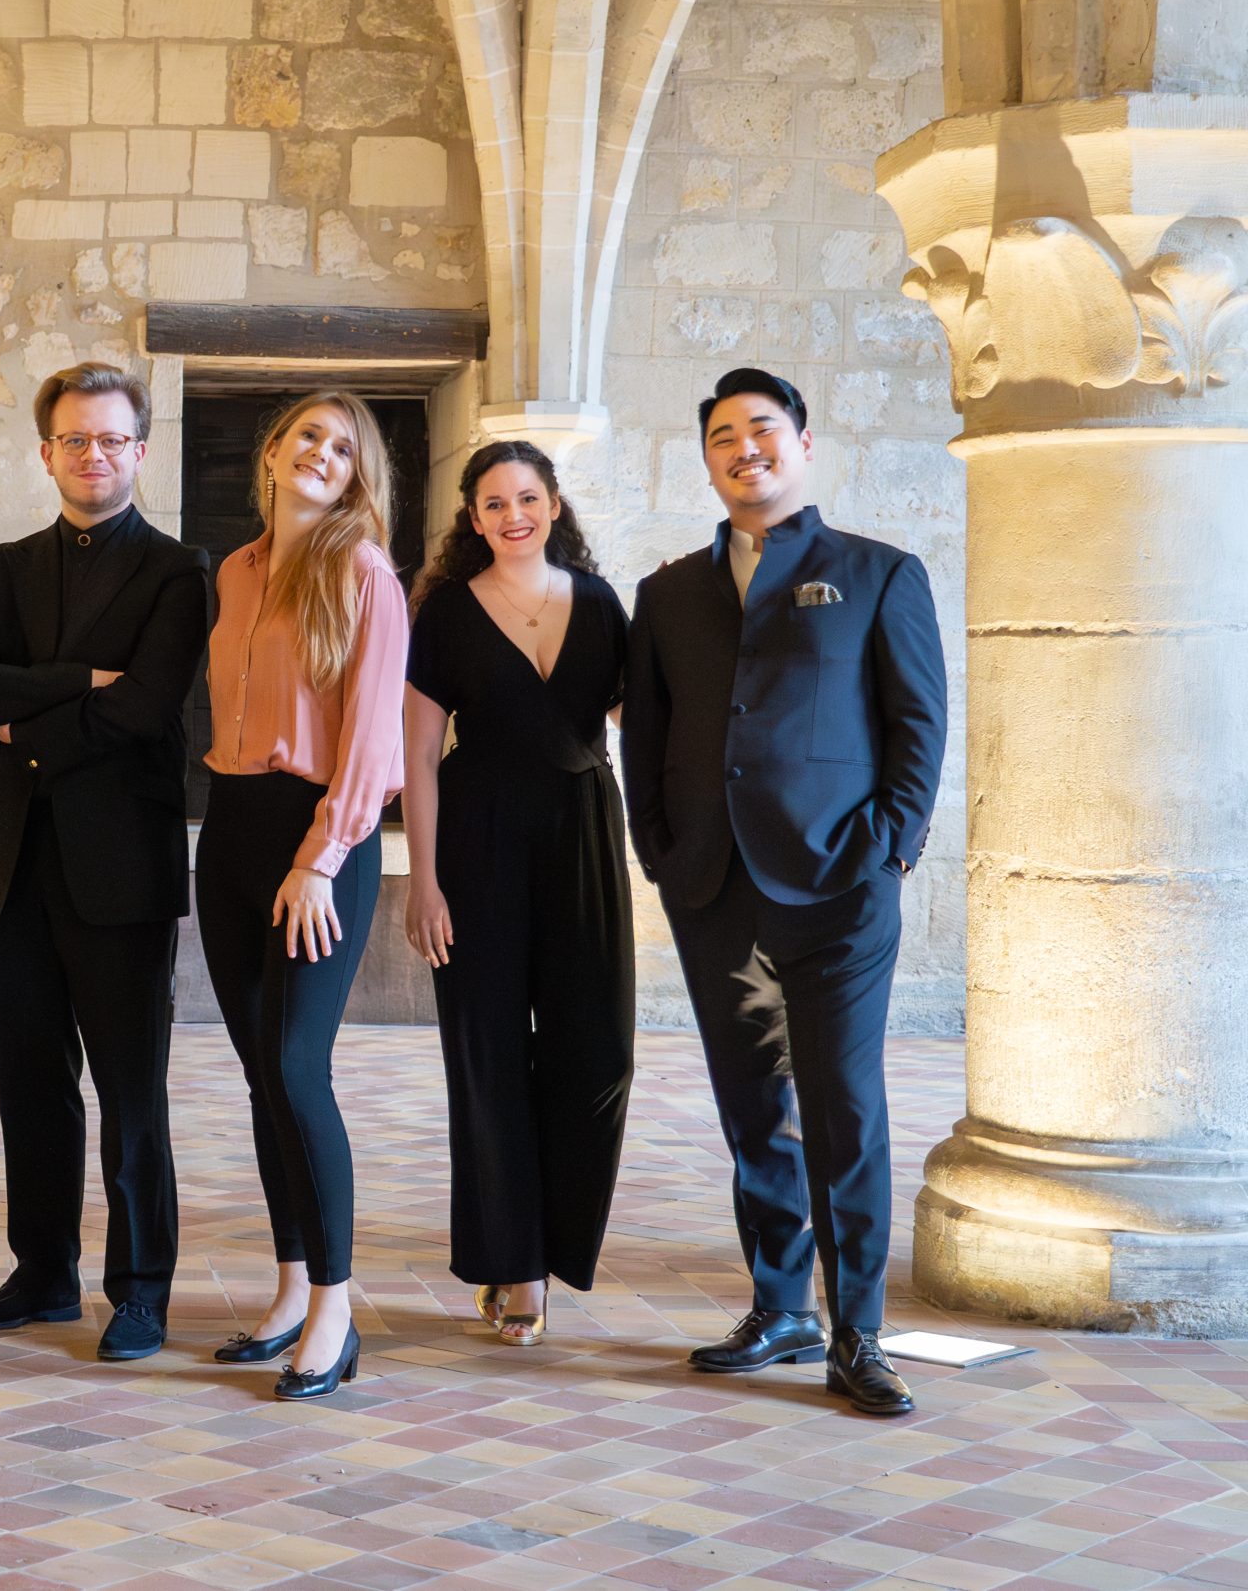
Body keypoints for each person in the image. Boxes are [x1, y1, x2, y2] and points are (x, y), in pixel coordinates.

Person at [624, 366, 947, 1417]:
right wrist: (662, 853)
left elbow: (917, 727)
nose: (743, 448)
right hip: (711, 882)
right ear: (706, 458)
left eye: (761, 430)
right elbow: (650, 736)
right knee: (750, 1102)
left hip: (841, 886)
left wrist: (890, 847)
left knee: (843, 1106)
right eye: (722, 436)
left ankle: (857, 1330)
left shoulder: (878, 573)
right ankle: (780, 1304)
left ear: (801, 442)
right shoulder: (666, 593)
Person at [0, 364, 211, 1361]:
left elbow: (148, 705)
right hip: (17, 860)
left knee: (132, 1092)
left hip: (123, 870)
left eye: (110, 440)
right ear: (45, 451)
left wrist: (31, 726)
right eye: (73, 440)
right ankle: (42, 1272)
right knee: (32, 1084)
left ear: (139, 451)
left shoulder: (179, 572)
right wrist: (72, 682)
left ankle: (139, 1291)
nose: (91, 456)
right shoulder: (3, 566)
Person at [402, 442, 634, 1348]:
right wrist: (422, 881)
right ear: (473, 517)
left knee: (601, 1052)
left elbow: (638, 717)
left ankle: (558, 1240)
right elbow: (419, 755)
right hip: (476, 839)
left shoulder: (603, 604)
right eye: (493, 502)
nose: (513, 515)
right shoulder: (447, 613)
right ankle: (517, 1266)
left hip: (583, 830)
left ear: (553, 503)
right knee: (488, 1056)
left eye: (527, 497)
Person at [199, 392, 407, 1401]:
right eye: (309, 436)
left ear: (359, 471)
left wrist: (319, 856)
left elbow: (374, 739)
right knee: (259, 1074)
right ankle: (287, 1288)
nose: (324, 453)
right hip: (231, 827)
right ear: (272, 449)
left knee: (297, 1066)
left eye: (344, 446)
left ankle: (334, 1310)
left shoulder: (362, 571)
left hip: (317, 841)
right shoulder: (235, 572)